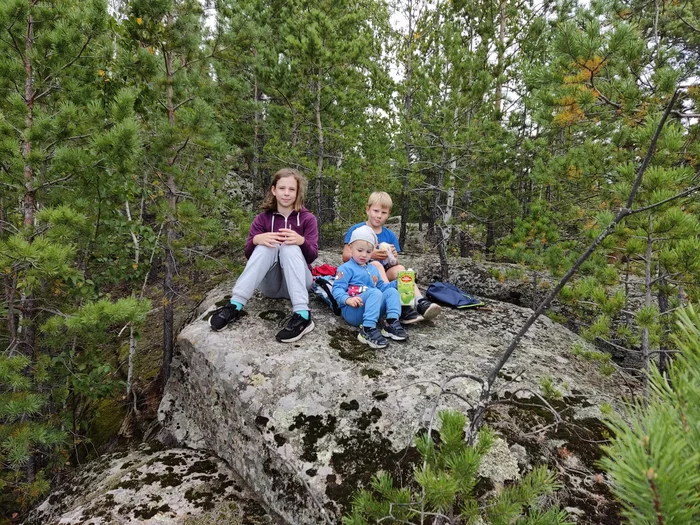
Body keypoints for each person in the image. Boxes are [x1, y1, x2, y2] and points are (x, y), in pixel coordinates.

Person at [209, 168, 318, 343]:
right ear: (274, 190)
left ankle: (303, 315)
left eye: (292, 189)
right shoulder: (262, 219)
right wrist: (256, 240)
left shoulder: (307, 219)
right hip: (271, 286)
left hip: (299, 283)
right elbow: (249, 255)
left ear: (298, 192)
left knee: (290, 247)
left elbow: (312, 256)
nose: (286, 193)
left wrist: (301, 242)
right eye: (282, 188)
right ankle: (235, 305)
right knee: (266, 245)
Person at [342, 192, 441, 323]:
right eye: (376, 211)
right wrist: (372, 255)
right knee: (376, 264)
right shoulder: (357, 230)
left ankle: (419, 302)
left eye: (383, 213)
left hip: (382, 277)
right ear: (367, 210)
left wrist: (392, 257)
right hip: (362, 275)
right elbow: (345, 256)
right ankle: (398, 306)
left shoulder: (389, 235)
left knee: (400, 269)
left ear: (388, 214)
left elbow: (394, 264)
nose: (379, 215)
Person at [332, 225, 408, 349]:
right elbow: (337, 289)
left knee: (391, 291)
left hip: (372, 308)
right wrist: (347, 299)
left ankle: (390, 323)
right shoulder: (345, 268)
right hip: (353, 310)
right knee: (374, 292)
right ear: (350, 247)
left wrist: (398, 283)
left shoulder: (373, 268)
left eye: (368, 252)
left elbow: (382, 287)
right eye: (360, 250)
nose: (364, 255)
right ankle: (367, 330)